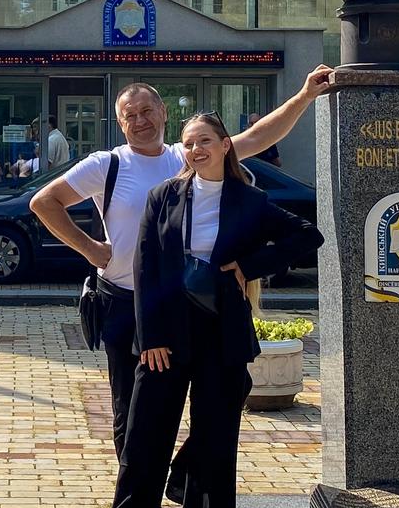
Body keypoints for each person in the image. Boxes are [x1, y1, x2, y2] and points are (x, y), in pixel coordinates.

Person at [67, 113, 323, 508]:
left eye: (204, 140)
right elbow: (145, 268)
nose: (194, 149)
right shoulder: (162, 196)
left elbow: (308, 236)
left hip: (222, 334)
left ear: (225, 146)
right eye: (187, 143)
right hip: (166, 335)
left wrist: (249, 265)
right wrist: (151, 337)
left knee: (214, 442)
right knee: (144, 439)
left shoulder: (249, 200)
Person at [31, 67, 333, 460]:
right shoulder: (106, 164)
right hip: (125, 303)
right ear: (120, 123)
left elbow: (259, 137)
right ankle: (135, 489)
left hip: (186, 306)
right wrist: (91, 249)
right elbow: (44, 202)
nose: (140, 121)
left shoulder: (187, 155)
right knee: (133, 410)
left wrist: (305, 95)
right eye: (130, 115)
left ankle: (185, 478)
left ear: (163, 113)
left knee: (217, 400)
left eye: (146, 111)